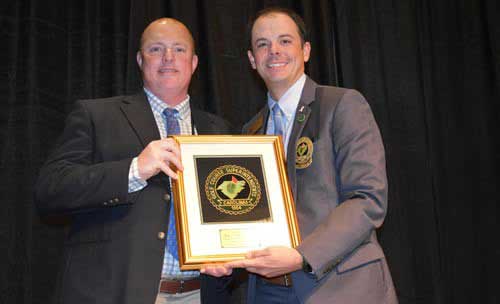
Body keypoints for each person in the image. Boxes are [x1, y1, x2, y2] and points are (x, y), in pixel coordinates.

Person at [202, 7, 398, 303]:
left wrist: (300, 255)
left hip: (340, 287)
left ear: (305, 51)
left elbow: (368, 199)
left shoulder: (342, 105)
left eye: (285, 41)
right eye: (262, 44)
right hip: (268, 291)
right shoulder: (250, 132)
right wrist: (223, 254)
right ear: (252, 60)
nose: (274, 51)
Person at [35, 18, 232, 304]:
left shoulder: (219, 129)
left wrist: (228, 252)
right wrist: (134, 170)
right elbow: (50, 190)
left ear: (194, 62)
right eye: (156, 49)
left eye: (179, 49)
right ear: (140, 60)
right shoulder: (97, 115)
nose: (168, 57)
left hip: (200, 294)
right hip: (116, 293)